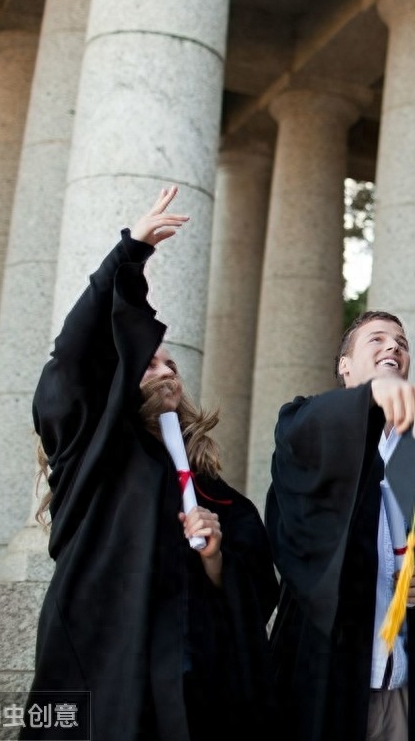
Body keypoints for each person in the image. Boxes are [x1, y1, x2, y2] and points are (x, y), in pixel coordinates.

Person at [25, 186, 278, 741]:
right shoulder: (91, 452)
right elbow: (72, 358)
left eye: (171, 362)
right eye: (149, 361)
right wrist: (129, 254)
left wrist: (215, 558)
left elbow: (257, 585)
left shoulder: (210, 488)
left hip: (193, 680)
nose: (166, 369)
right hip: (103, 665)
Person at [266, 310, 415, 741]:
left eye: (401, 342)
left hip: (402, 682)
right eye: (376, 340)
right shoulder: (308, 424)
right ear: (345, 367)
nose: (394, 347)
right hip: (328, 678)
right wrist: (369, 399)